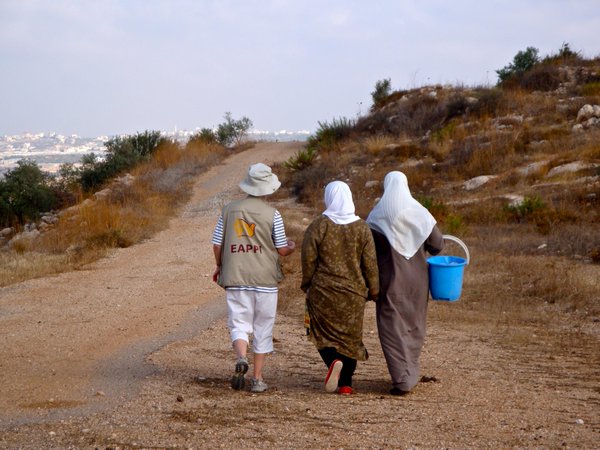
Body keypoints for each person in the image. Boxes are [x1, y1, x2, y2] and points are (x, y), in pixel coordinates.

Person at [212, 163, 295, 393]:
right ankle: (257, 379)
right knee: (263, 328)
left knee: (238, 323)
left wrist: (220, 266)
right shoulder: (273, 214)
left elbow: (217, 244)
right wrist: (291, 246)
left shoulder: (229, 210)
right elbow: (281, 249)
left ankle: (241, 357)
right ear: (268, 189)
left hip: (236, 277)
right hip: (266, 281)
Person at [366, 171, 444, 396]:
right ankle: (408, 372)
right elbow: (438, 245)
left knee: (391, 328)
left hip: (390, 281)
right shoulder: (420, 213)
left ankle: (402, 378)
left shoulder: (377, 215)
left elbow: (367, 250)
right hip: (418, 282)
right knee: (414, 325)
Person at [301, 181, 379, 395]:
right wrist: (374, 290)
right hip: (353, 294)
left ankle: (332, 361)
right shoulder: (362, 228)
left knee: (321, 334)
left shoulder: (319, 225)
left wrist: (307, 283)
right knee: (351, 338)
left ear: (329, 197)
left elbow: (308, 258)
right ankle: (346, 384)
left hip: (323, 292)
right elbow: (370, 263)